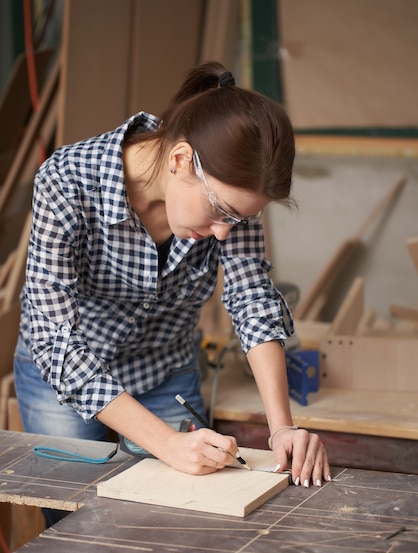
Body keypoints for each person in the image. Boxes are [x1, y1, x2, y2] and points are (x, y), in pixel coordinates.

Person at [14, 60, 331, 501]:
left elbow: (251, 297)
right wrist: (165, 445)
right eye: (220, 213)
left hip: (164, 370)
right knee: (74, 518)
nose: (224, 231)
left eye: (238, 219)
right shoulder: (67, 180)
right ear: (181, 160)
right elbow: (55, 342)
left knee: (182, 516)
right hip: (64, 375)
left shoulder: (232, 193)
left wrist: (281, 428)